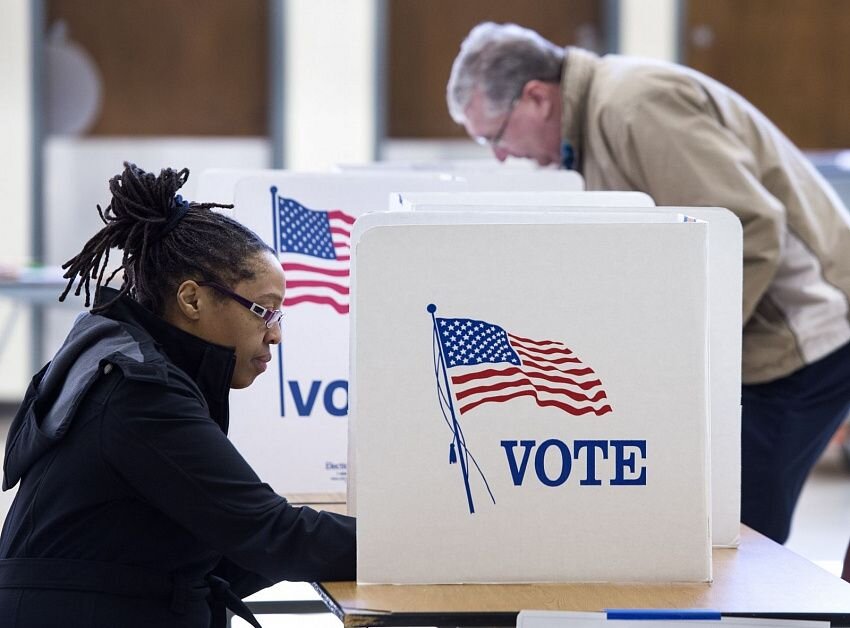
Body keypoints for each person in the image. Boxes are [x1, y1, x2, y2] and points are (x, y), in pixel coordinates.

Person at [447, 22, 850, 568]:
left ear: (537, 97)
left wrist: (678, 369)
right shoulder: (598, 119)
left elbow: (750, 229)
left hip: (801, 338)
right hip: (763, 338)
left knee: (735, 539)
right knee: (706, 528)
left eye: (493, 137)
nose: (500, 157)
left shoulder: (635, 106)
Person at [0, 163, 356, 627]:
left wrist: (316, 542)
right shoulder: (141, 395)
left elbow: (221, 545)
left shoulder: (120, 361)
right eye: (264, 311)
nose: (275, 336)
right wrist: (418, 545)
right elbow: (270, 532)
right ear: (192, 300)